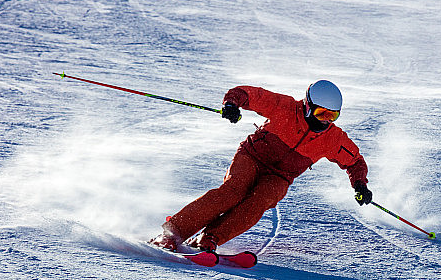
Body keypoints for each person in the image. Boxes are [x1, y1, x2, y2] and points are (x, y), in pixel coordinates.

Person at [152, 80, 373, 252]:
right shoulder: (285, 108)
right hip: (252, 157)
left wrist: (360, 185)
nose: (326, 120)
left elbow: (355, 162)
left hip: (280, 176)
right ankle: (173, 233)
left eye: (332, 115)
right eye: (321, 113)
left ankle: (209, 238)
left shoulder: (333, 138)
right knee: (233, 191)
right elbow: (247, 94)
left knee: (260, 202)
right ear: (308, 106)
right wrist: (231, 104)